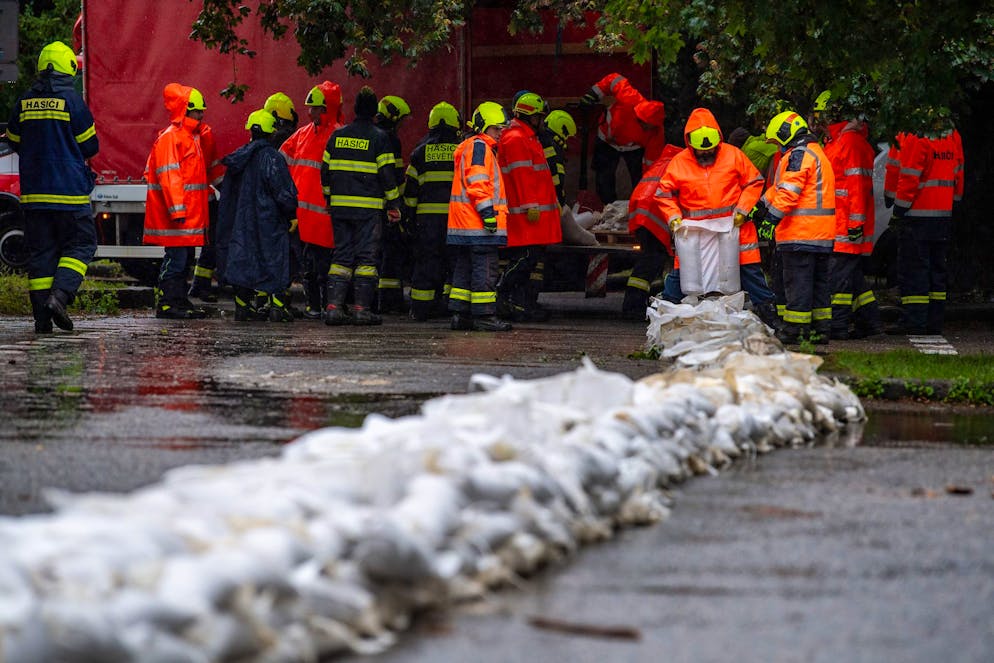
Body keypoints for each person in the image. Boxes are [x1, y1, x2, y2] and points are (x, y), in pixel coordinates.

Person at [653, 109, 778, 329]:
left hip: (733, 226)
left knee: (749, 271)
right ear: (690, 144)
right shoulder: (679, 162)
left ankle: (770, 314)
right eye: (701, 151)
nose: (705, 154)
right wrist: (673, 217)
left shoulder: (733, 155)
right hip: (695, 231)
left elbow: (754, 182)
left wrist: (743, 209)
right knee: (683, 273)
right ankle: (664, 314)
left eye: (709, 149)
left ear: (718, 141)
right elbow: (664, 194)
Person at [6, 41, 98, 333]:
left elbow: (12, 138)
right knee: (81, 244)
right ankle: (60, 297)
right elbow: (90, 146)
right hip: (70, 193)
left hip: (34, 195)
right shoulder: (72, 101)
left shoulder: (24, 101)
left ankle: (42, 319)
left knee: (42, 254)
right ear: (67, 67)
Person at [753, 110, 836, 344]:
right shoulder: (815, 152)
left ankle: (795, 330)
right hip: (821, 234)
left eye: (778, 141)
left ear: (785, 134)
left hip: (800, 233)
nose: (778, 147)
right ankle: (821, 330)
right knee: (819, 285)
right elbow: (782, 188)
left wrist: (770, 220)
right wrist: (760, 205)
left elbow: (789, 192)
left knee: (797, 284)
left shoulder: (797, 154)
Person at [320, 86, 401, 326]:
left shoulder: (337, 136)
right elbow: (387, 175)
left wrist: (329, 199)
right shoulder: (379, 137)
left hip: (340, 208)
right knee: (366, 259)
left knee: (341, 256)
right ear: (375, 111)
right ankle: (361, 309)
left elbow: (325, 173)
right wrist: (394, 204)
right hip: (368, 210)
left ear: (355, 109)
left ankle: (333, 308)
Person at [810, 90, 884, 340]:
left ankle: (837, 327)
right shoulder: (837, 141)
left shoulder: (849, 142)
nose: (817, 121)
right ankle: (871, 323)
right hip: (839, 223)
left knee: (838, 282)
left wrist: (855, 224)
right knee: (853, 280)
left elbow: (857, 187)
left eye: (820, 116)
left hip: (846, 226)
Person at [215, 109, 298, 322]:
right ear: (272, 133)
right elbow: (284, 193)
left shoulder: (238, 157)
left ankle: (243, 306)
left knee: (242, 261)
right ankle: (277, 308)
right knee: (274, 260)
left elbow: (227, 193)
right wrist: (291, 215)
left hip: (240, 221)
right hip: (269, 220)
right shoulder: (273, 158)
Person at [888, 121, 964, 335]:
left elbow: (910, 177)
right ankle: (934, 321)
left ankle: (914, 322)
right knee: (936, 271)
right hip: (943, 214)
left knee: (914, 272)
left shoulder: (916, 135)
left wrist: (898, 210)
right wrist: (953, 201)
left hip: (917, 214)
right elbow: (958, 172)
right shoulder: (952, 135)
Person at [143, 83, 211, 320]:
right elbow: (169, 176)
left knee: (185, 259)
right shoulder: (172, 138)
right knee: (177, 260)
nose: (201, 116)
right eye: (196, 112)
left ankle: (179, 301)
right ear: (185, 110)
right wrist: (177, 210)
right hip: (179, 217)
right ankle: (167, 303)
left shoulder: (189, 137)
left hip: (187, 217)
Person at [280, 81, 344, 319]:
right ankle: (314, 306)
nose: (310, 112)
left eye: (315, 108)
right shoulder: (304, 134)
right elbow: (280, 162)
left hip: (323, 215)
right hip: (305, 215)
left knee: (324, 266)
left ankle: (325, 305)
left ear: (327, 107)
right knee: (309, 266)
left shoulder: (336, 134)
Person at [496, 91, 562, 322]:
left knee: (529, 260)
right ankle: (502, 294)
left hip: (531, 214)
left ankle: (520, 304)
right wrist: (530, 205)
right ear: (529, 116)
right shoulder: (516, 139)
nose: (542, 120)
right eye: (539, 116)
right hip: (525, 214)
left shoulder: (526, 137)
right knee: (525, 258)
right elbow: (521, 175)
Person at [447, 101, 512, 332]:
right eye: (496, 129)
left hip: (466, 224)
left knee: (464, 267)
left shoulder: (470, 146)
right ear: (483, 127)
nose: (501, 133)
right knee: (485, 269)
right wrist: (488, 214)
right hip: (478, 223)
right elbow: (477, 182)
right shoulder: (480, 148)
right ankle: (484, 315)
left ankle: (460, 314)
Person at [404, 101, 461, 321]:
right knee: (454, 263)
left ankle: (420, 308)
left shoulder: (420, 153)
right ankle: (451, 306)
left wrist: (408, 218)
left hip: (426, 222)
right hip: (456, 220)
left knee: (426, 263)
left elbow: (411, 192)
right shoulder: (460, 151)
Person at [579, 73, 666, 205]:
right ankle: (605, 208)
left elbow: (651, 165)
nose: (646, 128)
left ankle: (639, 206)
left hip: (634, 148)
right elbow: (613, 79)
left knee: (639, 180)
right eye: (646, 124)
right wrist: (594, 93)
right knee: (604, 179)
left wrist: (649, 188)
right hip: (606, 140)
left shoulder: (656, 133)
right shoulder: (630, 98)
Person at [622, 143, 681, 318]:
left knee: (649, 259)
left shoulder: (662, 162)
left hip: (642, 212)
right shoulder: (681, 165)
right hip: (654, 214)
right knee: (651, 261)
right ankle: (633, 306)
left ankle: (635, 303)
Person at [374, 95, 413, 314]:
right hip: (388, 206)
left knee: (375, 254)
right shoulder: (390, 139)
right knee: (391, 252)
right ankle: (390, 301)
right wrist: (399, 206)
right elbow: (395, 176)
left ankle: (376, 300)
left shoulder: (373, 135)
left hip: (371, 204)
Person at [544, 109, 577, 207]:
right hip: (548, 201)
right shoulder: (554, 148)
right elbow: (558, 179)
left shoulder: (541, 139)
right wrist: (561, 199)